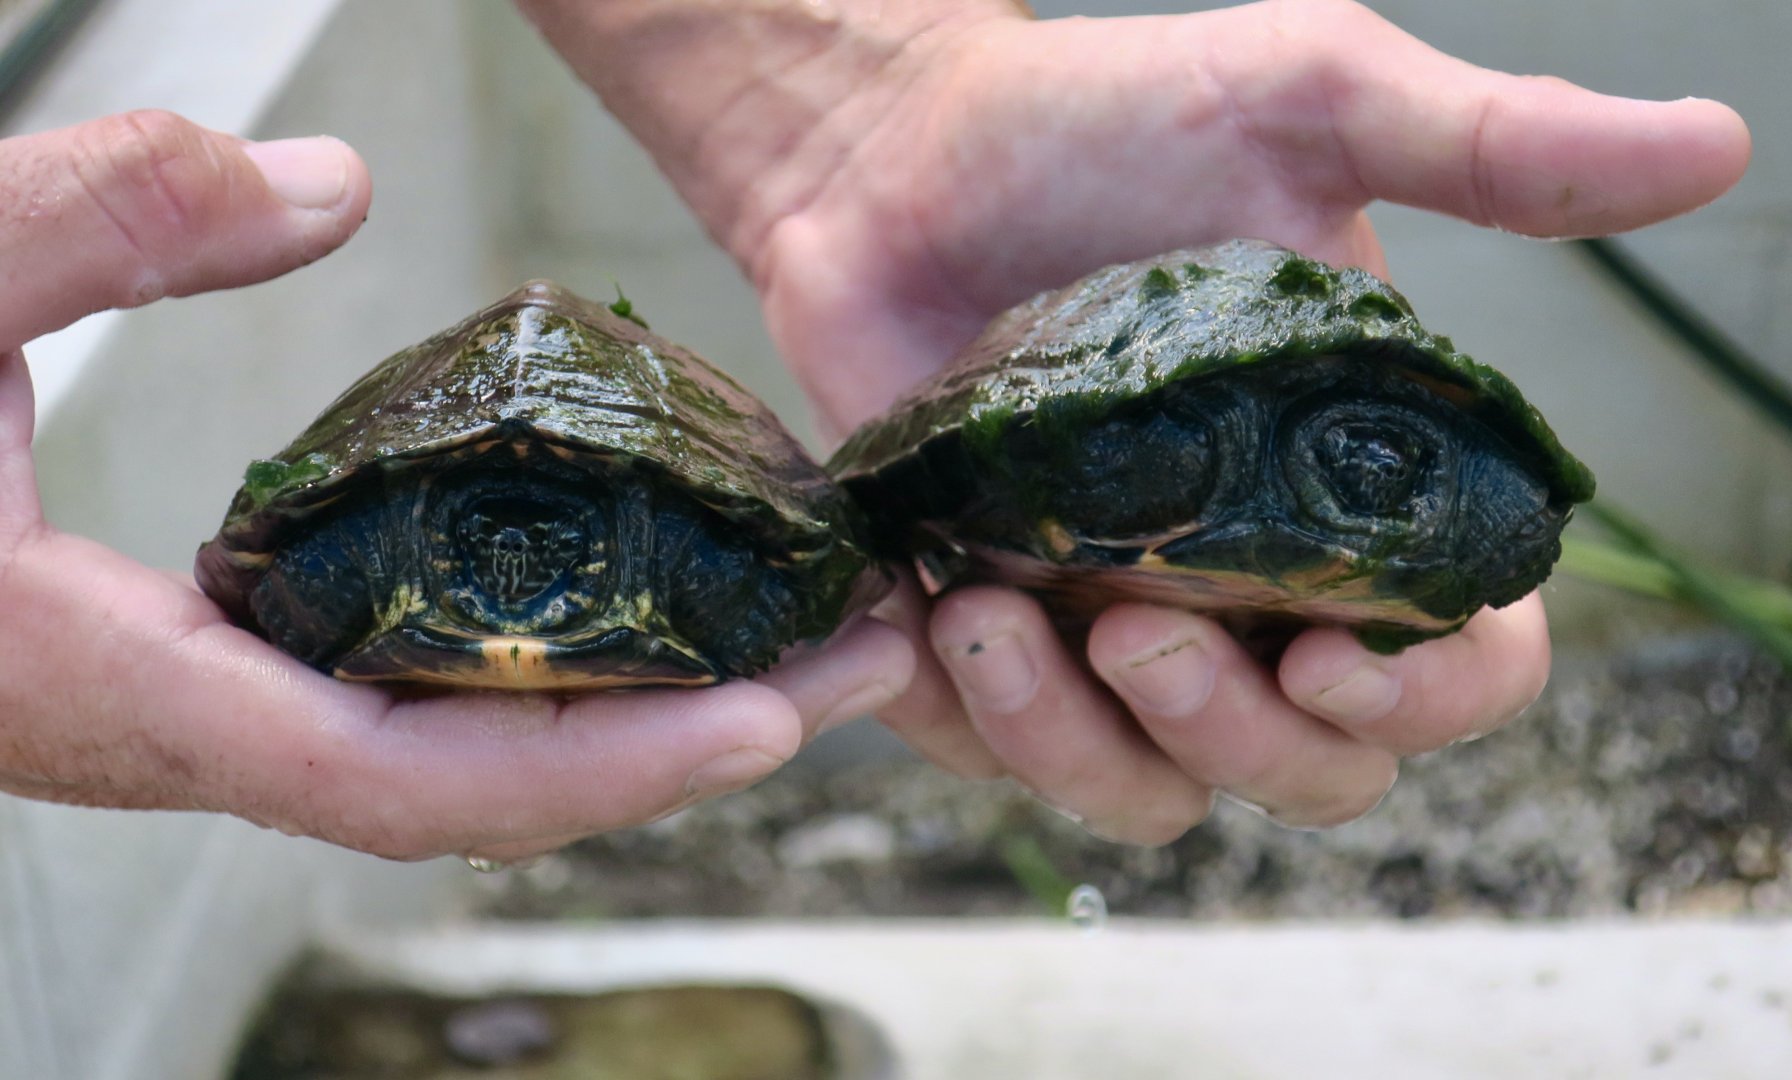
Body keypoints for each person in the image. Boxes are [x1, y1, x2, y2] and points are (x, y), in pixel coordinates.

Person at [0, 0, 1749, 864]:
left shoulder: (1428, 464)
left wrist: (852, 75)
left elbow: (1501, 514)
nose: (1382, 482)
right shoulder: (412, 548)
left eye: (1388, 466)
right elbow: (293, 574)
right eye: (1366, 457)